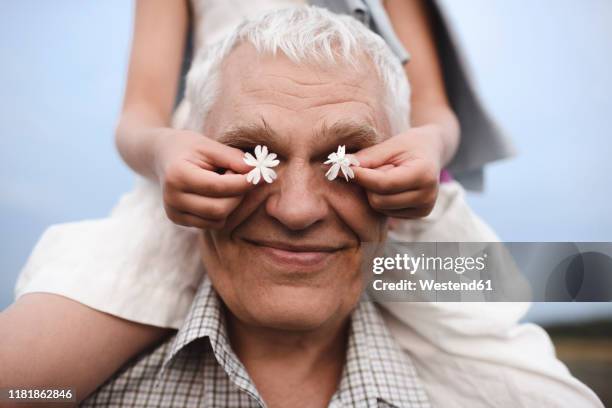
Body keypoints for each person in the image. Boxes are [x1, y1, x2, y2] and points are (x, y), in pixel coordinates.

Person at [0, 2, 602, 407]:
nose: (296, 210)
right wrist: (164, 154)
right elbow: (139, 113)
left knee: (526, 359)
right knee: (26, 382)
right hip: (200, 174)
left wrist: (428, 144)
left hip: (390, 166)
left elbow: (434, 108)